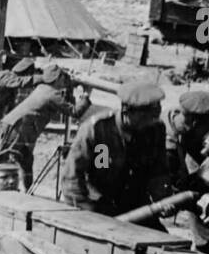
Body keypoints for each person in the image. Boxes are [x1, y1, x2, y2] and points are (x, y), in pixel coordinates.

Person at [60, 82, 173, 222]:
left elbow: (159, 171)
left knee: (167, 243)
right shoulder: (97, 129)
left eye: (152, 118)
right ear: (127, 110)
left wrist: (162, 199)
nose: (148, 124)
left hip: (136, 207)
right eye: (144, 117)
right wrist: (86, 214)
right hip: (99, 207)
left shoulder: (155, 129)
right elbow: (72, 178)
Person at [0, 65, 88, 190]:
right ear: (57, 79)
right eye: (62, 78)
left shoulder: (43, 88)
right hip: (17, 128)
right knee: (3, 163)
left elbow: (64, 99)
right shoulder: (52, 95)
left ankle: (28, 193)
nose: (64, 81)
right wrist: (85, 97)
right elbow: (74, 111)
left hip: (20, 128)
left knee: (26, 163)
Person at [165, 88, 209, 254]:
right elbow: (169, 183)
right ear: (195, 123)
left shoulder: (187, 124)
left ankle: (205, 248)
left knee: (202, 188)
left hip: (195, 164)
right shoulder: (168, 142)